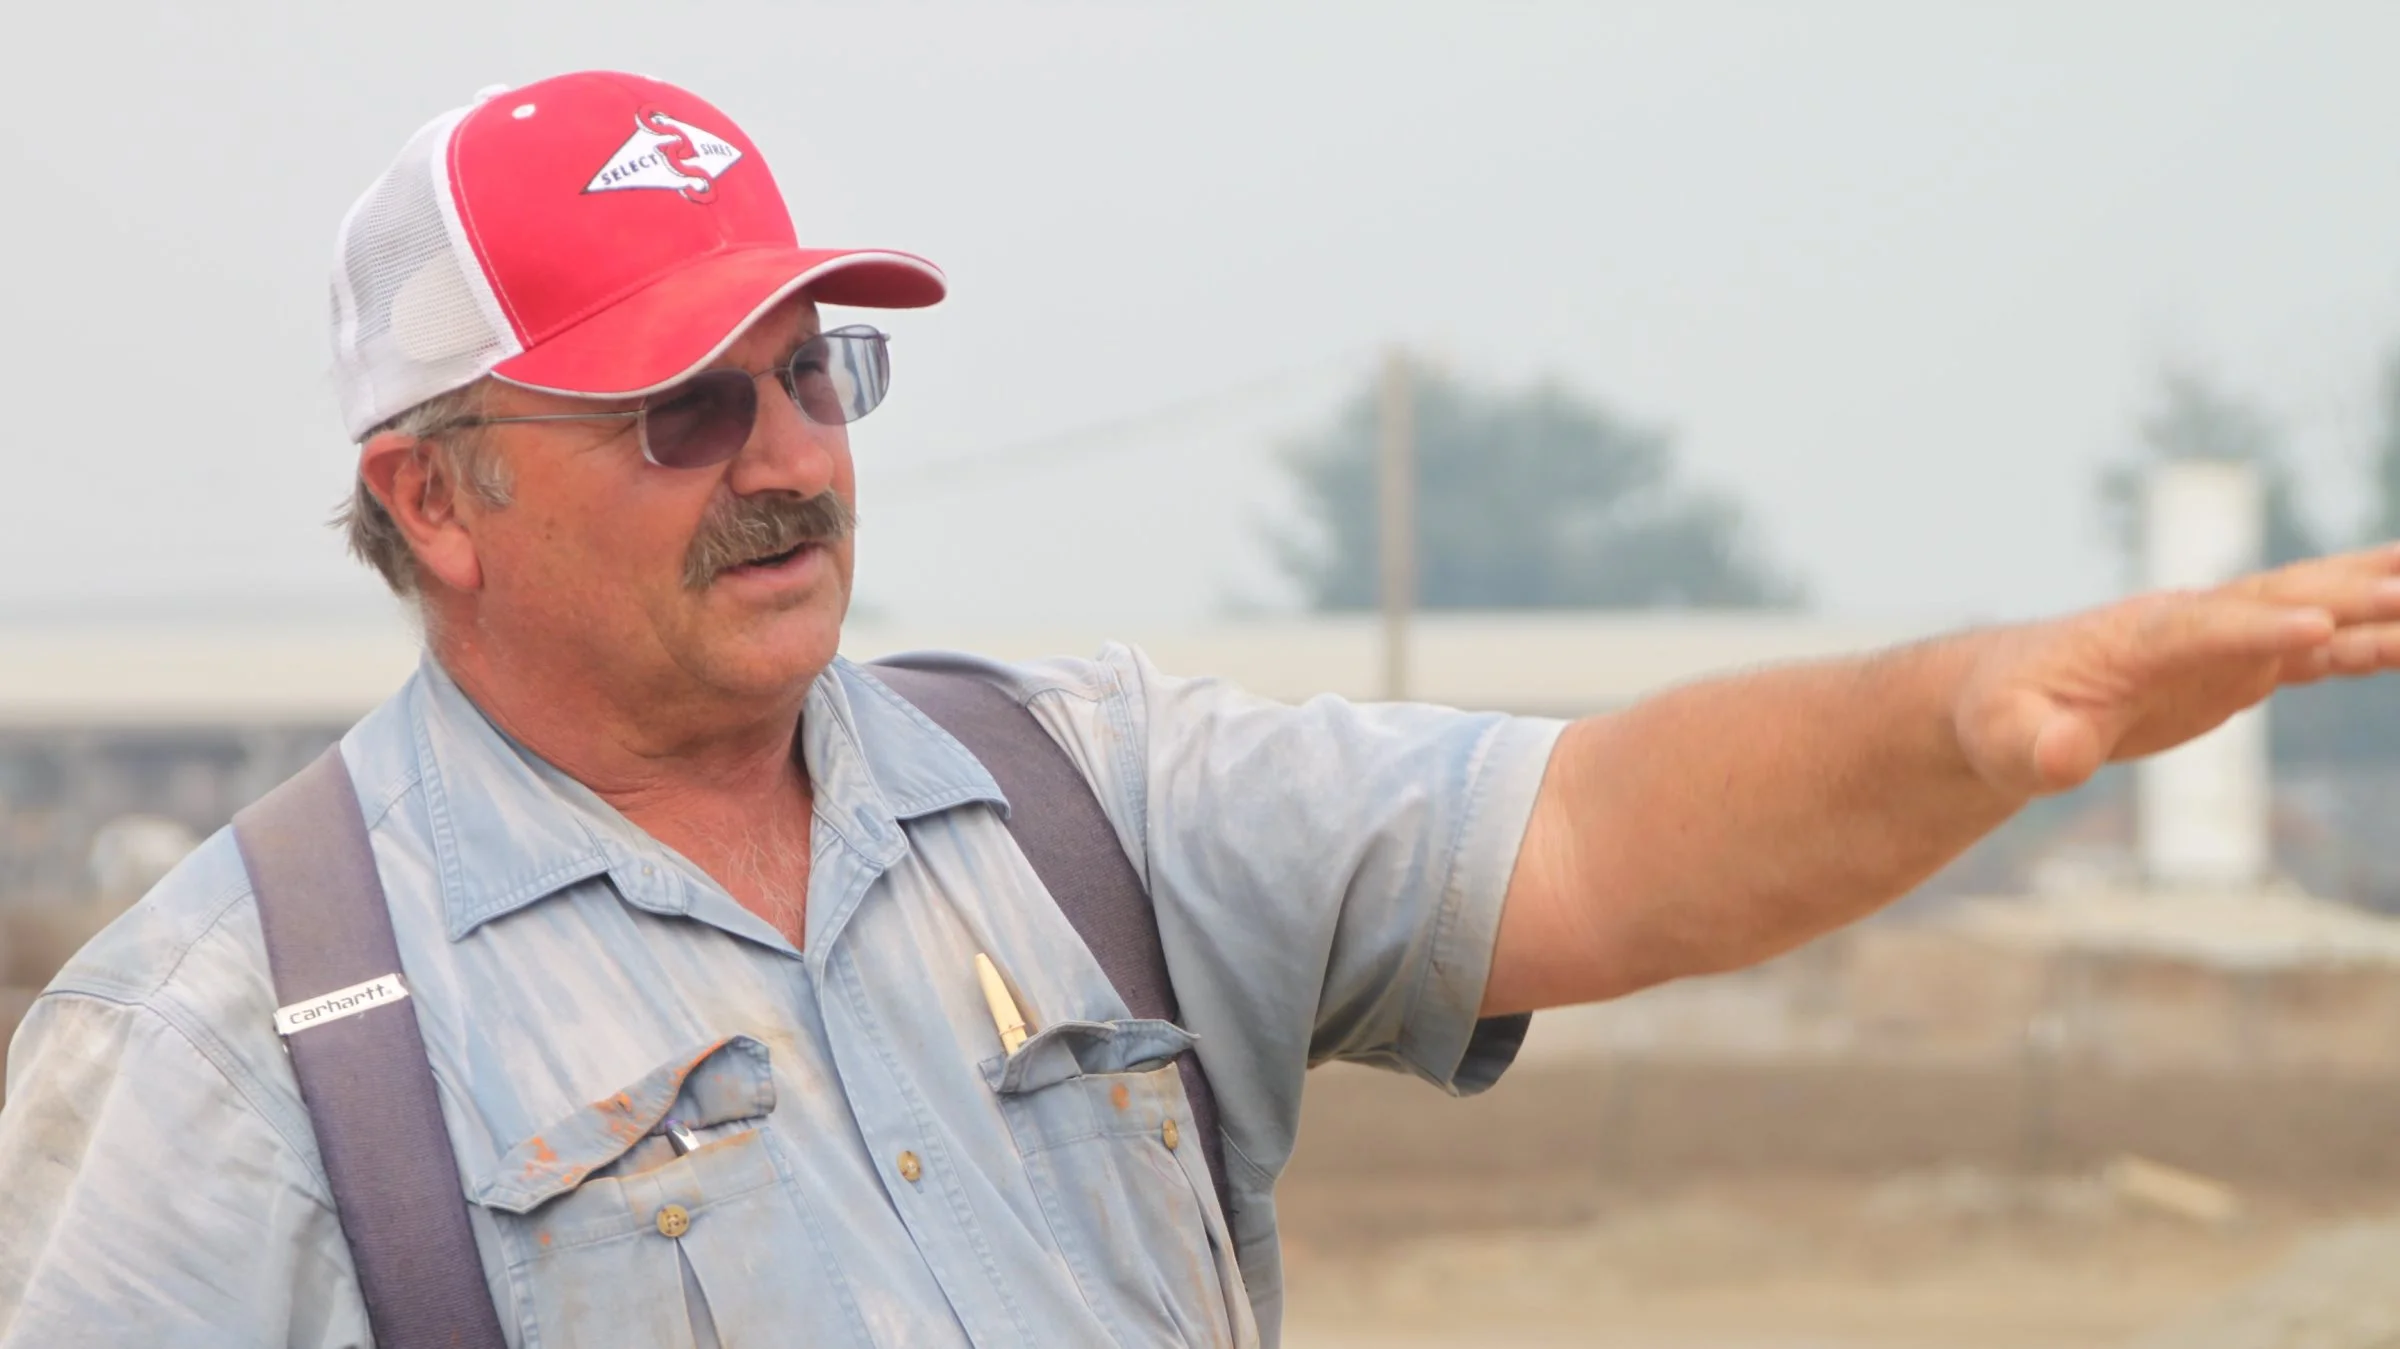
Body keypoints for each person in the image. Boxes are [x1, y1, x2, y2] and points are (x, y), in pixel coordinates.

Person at [3, 69, 2398, 1349]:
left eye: (814, 372)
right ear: (432, 497)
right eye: (680, 414)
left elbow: (1593, 836)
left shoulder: (1078, 790)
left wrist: (1975, 714)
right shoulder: (237, 1035)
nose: (791, 460)